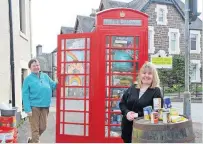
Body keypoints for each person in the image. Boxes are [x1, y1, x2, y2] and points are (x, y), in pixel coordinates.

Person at [119, 61, 163, 143]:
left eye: (149, 73)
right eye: (144, 73)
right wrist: (127, 113)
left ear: (154, 76)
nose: (146, 75)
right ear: (140, 74)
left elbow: (157, 111)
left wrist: (137, 115)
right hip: (127, 128)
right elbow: (122, 103)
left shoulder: (156, 91)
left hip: (145, 130)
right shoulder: (133, 87)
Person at [22, 59, 58, 143]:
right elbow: (25, 94)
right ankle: (35, 141)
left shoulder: (45, 76)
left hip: (45, 106)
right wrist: (27, 109)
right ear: (30, 68)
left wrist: (59, 80)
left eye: (37, 65)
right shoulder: (28, 79)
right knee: (35, 129)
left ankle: (31, 141)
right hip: (34, 107)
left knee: (43, 127)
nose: (36, 67)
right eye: (34, 66)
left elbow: (53, 85)